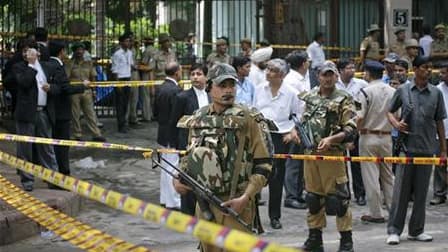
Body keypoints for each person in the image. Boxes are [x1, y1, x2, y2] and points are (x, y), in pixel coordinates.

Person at [173, 63, 272, 252]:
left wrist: (246, 197)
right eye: (222, 85)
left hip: (237, 205)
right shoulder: (199, 117)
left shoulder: (249, 118)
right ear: (209, 87)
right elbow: (190, 155)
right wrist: (178, 180)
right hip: (205, 204)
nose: (228, 90)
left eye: (231, 85)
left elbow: (264, 164)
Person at [386, 56, 446, 245]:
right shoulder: (403, 90)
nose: (428, 71)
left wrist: (443, 149)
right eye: (425, 67)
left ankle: (416, 230)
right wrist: (396, 124)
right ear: (416, 69)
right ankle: (394, 230)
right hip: (406, 148)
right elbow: (389, 111)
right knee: (401, 193)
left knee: (421, 194)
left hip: (428, 149)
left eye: (430, 68)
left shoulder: (436, 93)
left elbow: (439, 122)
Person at [298, 60, 357, 252]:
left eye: (331, 74)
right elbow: (303, 121)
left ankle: (346, 241)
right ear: (318, 76)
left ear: (336, 76)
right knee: (313, 199)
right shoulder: (309, 97)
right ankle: (315, 238)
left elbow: (351, 129)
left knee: (338, 200)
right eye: (324, 74)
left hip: (332, 157)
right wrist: (295, 133)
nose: (328, 78)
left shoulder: (344, 98)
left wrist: (332, 139)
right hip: (310, 156)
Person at [253, 58, 300, 229]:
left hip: (281, 136)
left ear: (281, 75)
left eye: (271, 70)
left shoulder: (291, 93)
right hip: (260, 134)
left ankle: (275, 216)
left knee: (276, 178)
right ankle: (254, 217)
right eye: (267, 69)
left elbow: (298, 116)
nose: (267, 72)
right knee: (256, 174)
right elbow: (253, 111)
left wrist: (293, 132)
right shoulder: (259, 89)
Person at [13, 47, 60, 191]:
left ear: (38, 53)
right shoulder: (19, 67)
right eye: (28, 52)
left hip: (43, 112)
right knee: (25, 149)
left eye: (33, 52)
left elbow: (59, 87)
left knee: (47, 147)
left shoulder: (47, 67)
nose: (31, 55)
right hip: (26, 113)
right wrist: (31, 65)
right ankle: (27, 180)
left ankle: (54, 179)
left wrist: (51, 88)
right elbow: (25, 83)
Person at [356, 60, 395, 223]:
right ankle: (394, 210)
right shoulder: (393, 91)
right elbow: (397, 116)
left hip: (368, 136)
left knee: (371, 176)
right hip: (387, 136)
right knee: (388, 175)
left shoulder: (364, 92)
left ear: (368, 73)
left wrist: (354, 132)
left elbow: (359, 116)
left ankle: (376, 213)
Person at [170, 63, 210, 215]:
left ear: (206, 77)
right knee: (187, 178)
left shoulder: (211, 96)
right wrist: (177, 147)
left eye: (199, 74)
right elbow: (174, 122)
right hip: (188, 144)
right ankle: (188, 212)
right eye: (192, 74)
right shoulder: (182, 97)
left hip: (208, 144)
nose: (195, 77)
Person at [49, 41, 88, 177]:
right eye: (65, 51)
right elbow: (65, 88)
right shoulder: (58, 67)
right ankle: (63, 173)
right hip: (60, 112)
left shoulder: (48, 65)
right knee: (61, 145)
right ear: (61, 52)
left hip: (54, 111)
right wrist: (83, 86)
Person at [336, 58, 368, 206]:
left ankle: (360, 193)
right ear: (341, 71)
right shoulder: (334, 84)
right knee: (340, 163)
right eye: (348, 68)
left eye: (353, 67)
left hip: (356, 127)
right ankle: (344, 193)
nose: (352, 70)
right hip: (338, 129)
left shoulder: (361, 84)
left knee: (357, 162)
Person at [282, 50, 311, 210]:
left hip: (302, 124)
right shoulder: (292, 81)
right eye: (307, 61)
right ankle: (292, 195)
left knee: (299, 162)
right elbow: (295, 107)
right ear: (303, 63)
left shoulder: (301, 78)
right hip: (295, 124)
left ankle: (298, 193)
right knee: (293, 162)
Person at [154, 62, 183, 210]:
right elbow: (177, 115)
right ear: (177, 73)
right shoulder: (176, 90)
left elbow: (155, 113)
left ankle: (165, 198)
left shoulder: (160, 88)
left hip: (162, 133)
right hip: (172, 135)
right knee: (173, 168)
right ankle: (173, 201)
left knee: (165, 167)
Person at [65, 42, 106, 142]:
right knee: (75, 114)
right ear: (74, 51)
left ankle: (96, 134)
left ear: (84, 51)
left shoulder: (88, 63)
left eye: (81, 50)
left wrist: (95, 90)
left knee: (90, 113)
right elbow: (66, 77)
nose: (79, 52)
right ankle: (77, 134)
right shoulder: (69, 63)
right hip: (74, 92)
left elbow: (93, 77)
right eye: (77, 50)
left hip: (87, 91)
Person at [430, 63, 448, 205]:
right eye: (440, 73)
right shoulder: (437, 90)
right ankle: (439, 193)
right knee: (440, 164)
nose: (441, 76)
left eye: (444, 73)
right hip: (440, 134)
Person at [111, 33, 134, 133]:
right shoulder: (117, 54)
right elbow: (114, 70)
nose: (128, 43)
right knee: (120, 103)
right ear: (121, 42)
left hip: (128, 78)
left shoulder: (129, 53)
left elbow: (131, 65)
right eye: (126, 41)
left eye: (129, 41)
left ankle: (124, 122)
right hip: (120, 79)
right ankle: (121, 125)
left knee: (125, 102)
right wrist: (117, 83)